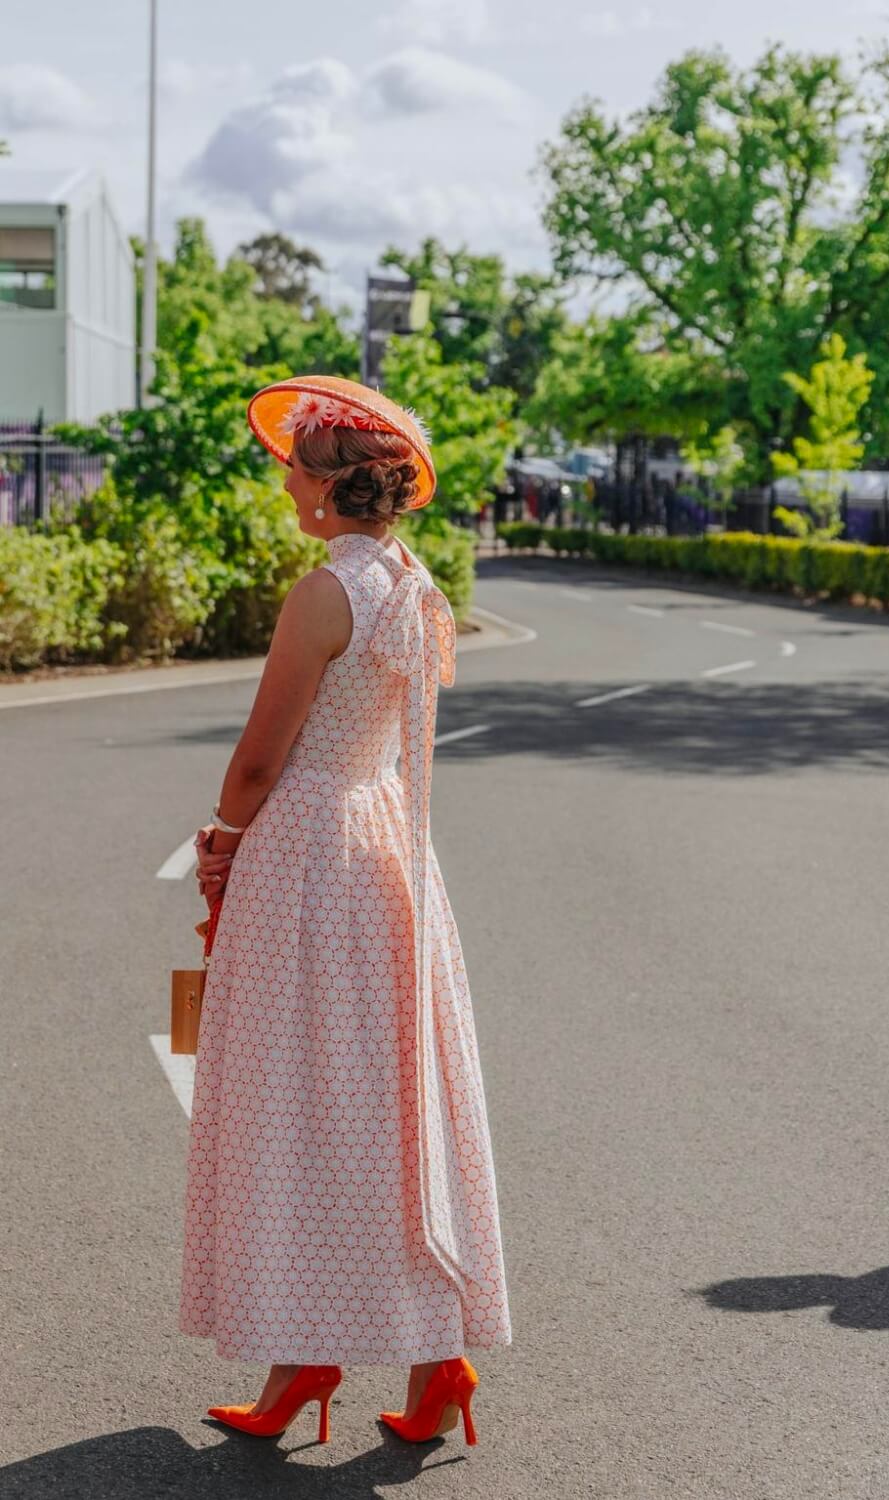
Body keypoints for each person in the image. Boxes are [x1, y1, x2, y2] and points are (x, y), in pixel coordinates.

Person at [178, 375, 512, 1448]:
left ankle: (303, 1356)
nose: (285, 480)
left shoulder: (323, 595)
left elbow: (261, 756)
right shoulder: (414, 587)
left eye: (295, 467)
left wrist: (224, 839)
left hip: (311, 856)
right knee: (390, 1103)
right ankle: (433, 1364)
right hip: (389, 853)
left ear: (326, 490)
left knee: (296, 1106)